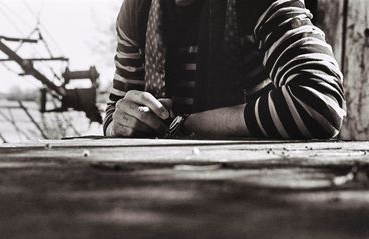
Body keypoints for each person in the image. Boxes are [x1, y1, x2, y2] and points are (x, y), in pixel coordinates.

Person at [103, 0, 346, 139]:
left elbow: (320, 104)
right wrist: (122, 122)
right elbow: (114, 111)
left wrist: (183, 125)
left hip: (259, 182)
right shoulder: (137, 10)